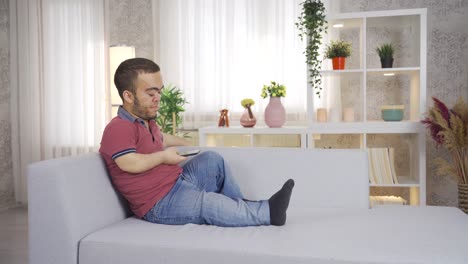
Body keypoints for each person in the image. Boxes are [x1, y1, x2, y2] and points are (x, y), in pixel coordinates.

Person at [99, 58, 295, 227]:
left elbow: (162, 138)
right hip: (158, 203)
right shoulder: (118, 128)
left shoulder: (146, 121)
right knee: (207, 203)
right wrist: (163, 157)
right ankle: (268, 213)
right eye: (151, 94)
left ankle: (238, 206)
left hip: (178, 183)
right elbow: (128, 162)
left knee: (212, 159)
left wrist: (191, 143)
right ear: (128, 95)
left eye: (159, 91)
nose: (157, 98)